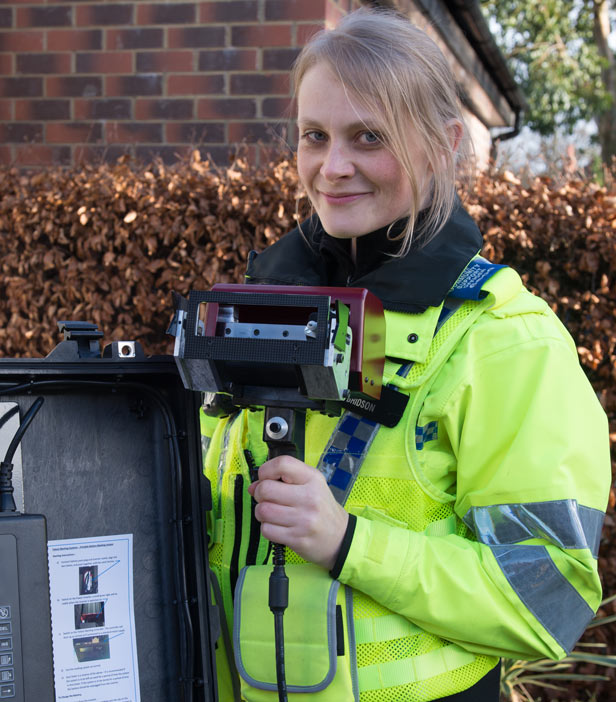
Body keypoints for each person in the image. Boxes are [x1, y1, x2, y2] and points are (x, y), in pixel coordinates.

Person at [201, 7, 611, 702]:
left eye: (369, 137)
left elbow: (548, 598)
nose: (333, 167)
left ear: (444, 142)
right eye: (314, 136)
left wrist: (349, 543)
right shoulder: (247, 318)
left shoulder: (506, 341)